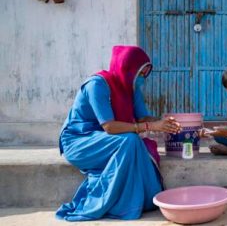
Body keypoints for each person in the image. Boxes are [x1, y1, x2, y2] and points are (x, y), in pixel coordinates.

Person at [56, 46, 180, 221]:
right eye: (140, 73)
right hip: (79, 141)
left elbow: (142, 117)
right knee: (130, 141)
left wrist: (164, 122)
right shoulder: (97, 85)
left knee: (139, 144)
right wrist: (149, 126)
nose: (142, 79)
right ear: (127, 68)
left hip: (107, 141)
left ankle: (144, 199)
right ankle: (122, 205)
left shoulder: (131, 88)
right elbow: (109, 127)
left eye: (145, 74)